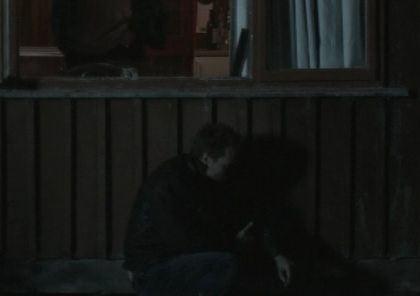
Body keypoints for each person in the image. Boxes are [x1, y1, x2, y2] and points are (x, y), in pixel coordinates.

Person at [123, 123, 295, 296]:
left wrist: (277, 255)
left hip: (178, 262)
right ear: (206, 158)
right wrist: (234, 243)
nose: (231, 172)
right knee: (227, 264)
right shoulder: (170, 184)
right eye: (226, 167)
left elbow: (253, 211)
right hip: (151, 272)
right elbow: (186, 242)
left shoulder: (213, 176)